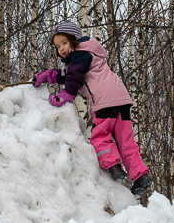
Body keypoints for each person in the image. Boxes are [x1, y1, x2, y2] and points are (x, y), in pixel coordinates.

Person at [34, 20, 153, 196]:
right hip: (121, 99)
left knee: (99, 137)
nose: (61, 49)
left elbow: (73, 77)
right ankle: (141, 177)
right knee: (126, 141)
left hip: (104, 101)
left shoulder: (79, 55)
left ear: (74, 40)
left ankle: (113, 167)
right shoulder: (88, 55)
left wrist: (65, 95)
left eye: (64, 43)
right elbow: (73, 74)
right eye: (58, 46)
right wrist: (49, 75)